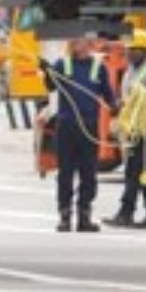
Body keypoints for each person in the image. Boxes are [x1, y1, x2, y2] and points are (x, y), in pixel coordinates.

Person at [41, 36, 115, 232]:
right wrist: (47, 72)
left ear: (88, 44)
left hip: (89, 127)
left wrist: (116, 107)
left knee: (88, 173)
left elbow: (108, 94)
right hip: (67, 126)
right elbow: (50, 87)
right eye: (72, 41)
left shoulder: (98, 67)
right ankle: (65, 216)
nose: (73, 43)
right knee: (65, 173)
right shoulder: (62, 64)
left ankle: (84, 216)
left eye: (78, 40)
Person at [110, 30, 146, 230]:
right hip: (135, 125)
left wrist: (141, 98)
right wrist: (122, 104)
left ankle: (128, 212)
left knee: (137, 169)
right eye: (128, 50)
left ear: (144, 51)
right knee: (140, 169)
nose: (130, 53)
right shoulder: (131, 70)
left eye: (135, 50)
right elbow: (128, 96)